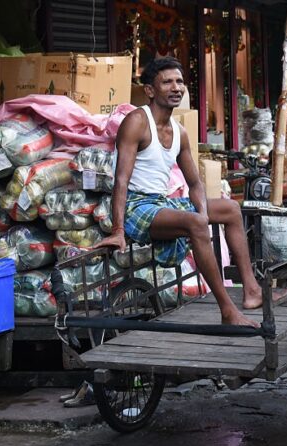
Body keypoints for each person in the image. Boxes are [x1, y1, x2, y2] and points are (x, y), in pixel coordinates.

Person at [96, 57, 265, 327]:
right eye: (167, 82)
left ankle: (252, 290)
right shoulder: (137, 121)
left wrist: (203, 212)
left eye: (179, 82)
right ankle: (227, 311)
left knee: (230, 209)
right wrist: (117, 230)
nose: (176, 88)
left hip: (161, 204)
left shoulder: (180, 132)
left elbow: (196, 184)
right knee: (197, 222)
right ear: (150, 90)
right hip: (136, 208)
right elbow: (121, 181)